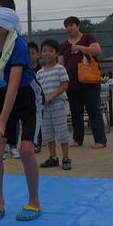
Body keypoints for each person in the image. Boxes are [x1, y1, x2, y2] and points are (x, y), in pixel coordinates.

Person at [0, 0, 42, 221]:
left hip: (27, 97)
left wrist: (1, 120)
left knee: (25, 150)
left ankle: (34, 201)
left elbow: (14, 86)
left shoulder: (19, 44)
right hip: (1, 97)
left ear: (9, 18)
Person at [59, 16, 107, 149]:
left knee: (94, 111)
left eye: (71, 25)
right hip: (72, 84)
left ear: (78, 25)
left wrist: (79, 47)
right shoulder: (63, 45)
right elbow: (60, 64)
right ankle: (77, 139)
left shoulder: (88, 38)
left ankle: (100, 140)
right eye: (66, 26)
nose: (69, 28)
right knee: (75, 113)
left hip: (90, 83)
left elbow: (97, 51)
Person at [36, 39, 72, 170]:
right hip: (44, 107)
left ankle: (66, 158)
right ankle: (53, 157)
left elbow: (64, 85)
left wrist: (52, 95)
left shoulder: (60, 69)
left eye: (50, 51)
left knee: (61, 131)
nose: (47, 53)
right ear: (41, 54)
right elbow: (38, 90)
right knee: (48, 133)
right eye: (44, 51)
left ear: (56, 53)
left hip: (57, 104)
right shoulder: (39, 73)